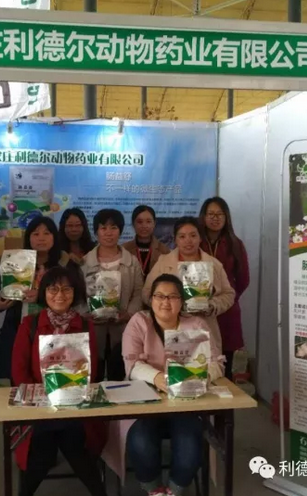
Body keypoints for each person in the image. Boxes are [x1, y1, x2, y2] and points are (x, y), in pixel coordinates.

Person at [102, 274, 222, 496]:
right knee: (141, 441)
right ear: (151, 299)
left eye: (173, 296)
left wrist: (198, 377)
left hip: (186, 403)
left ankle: (174, 489)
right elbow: (132, 364)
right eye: (159, 296)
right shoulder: (139, 321)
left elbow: (216, 364)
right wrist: (158, 377)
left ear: (182, 301)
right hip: (145, 402)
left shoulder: (196, 324)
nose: (166, 302)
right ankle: (153, 488)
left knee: (190, 443)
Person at [11, 267, 106, 496]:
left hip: (74, 403)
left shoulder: (85, 325)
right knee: (45, 447)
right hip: (39, 406)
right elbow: (19, 371)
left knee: (74, 443)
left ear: (76, 292)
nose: (60, 295)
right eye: (53, 289)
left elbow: (92, 370)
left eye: (66, 289)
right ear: (44, 292)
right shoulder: (30, 324)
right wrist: (45, 397)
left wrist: (69, 393)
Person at [0, 216, 81, 380]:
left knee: (54, 381)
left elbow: (77, 297)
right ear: (28, 238)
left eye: (46, 233)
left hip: (56, 335)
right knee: (16, 379)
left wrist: (42, 296)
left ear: (54, 237)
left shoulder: (65, 264)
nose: (41, 238)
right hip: (16, 331)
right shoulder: (15, 261)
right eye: (36, 234)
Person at [144, 217, 235, 361]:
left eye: (193, 235)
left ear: (200, 238)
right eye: (182, 236)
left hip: (203, 326)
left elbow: (228, 294)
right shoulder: (163, 262)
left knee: (203, 367)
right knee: (172, 368)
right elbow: (146, 292)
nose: (188, 241)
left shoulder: (214, 264)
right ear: (175, 239)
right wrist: (166, 306)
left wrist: (212, 305)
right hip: (169, 328)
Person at [82, 209, 143, 380]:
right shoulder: (85, 262)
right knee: (94, 372)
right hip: (94, 327)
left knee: (119, 373)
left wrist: (128, 313)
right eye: (103, 228)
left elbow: (138, 292)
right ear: (96, 232)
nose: (108, 233)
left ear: (120, 231)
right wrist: (85, 314)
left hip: (123, 327)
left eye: (114, 227)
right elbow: (77, 292)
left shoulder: (131, 262)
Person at [199, 197, 250, 379]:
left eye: (220, 214)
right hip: (199, 310)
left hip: (227, 312)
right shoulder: (195, 242)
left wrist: (227, 299)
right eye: (211, 214)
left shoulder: (235, 244)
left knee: (224, 366)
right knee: (200, 359)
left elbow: (243, 279)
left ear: (226, 217)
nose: (215, 218)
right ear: (203, 217)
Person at [123, 205, 171, 277]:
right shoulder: (124, 249)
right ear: (133, 224)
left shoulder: (164, 251)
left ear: (154, 223)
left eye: (148, 222)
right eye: (140, 222)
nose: (144, 226)